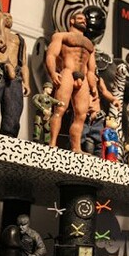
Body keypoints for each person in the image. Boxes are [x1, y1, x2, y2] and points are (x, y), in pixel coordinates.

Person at [45, 12, 98, 152]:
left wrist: (93, 88)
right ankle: (52, 143)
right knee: (59, 109)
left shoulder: (90, 44)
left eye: (85, 20)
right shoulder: (61, 36)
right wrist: (53, 72)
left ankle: (76, 148)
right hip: (68, 72)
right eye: (80, 18)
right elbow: (51, 55)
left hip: (83, 78)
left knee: (81, 115)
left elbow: (91, 70)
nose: (84, 21)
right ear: (72, 21)